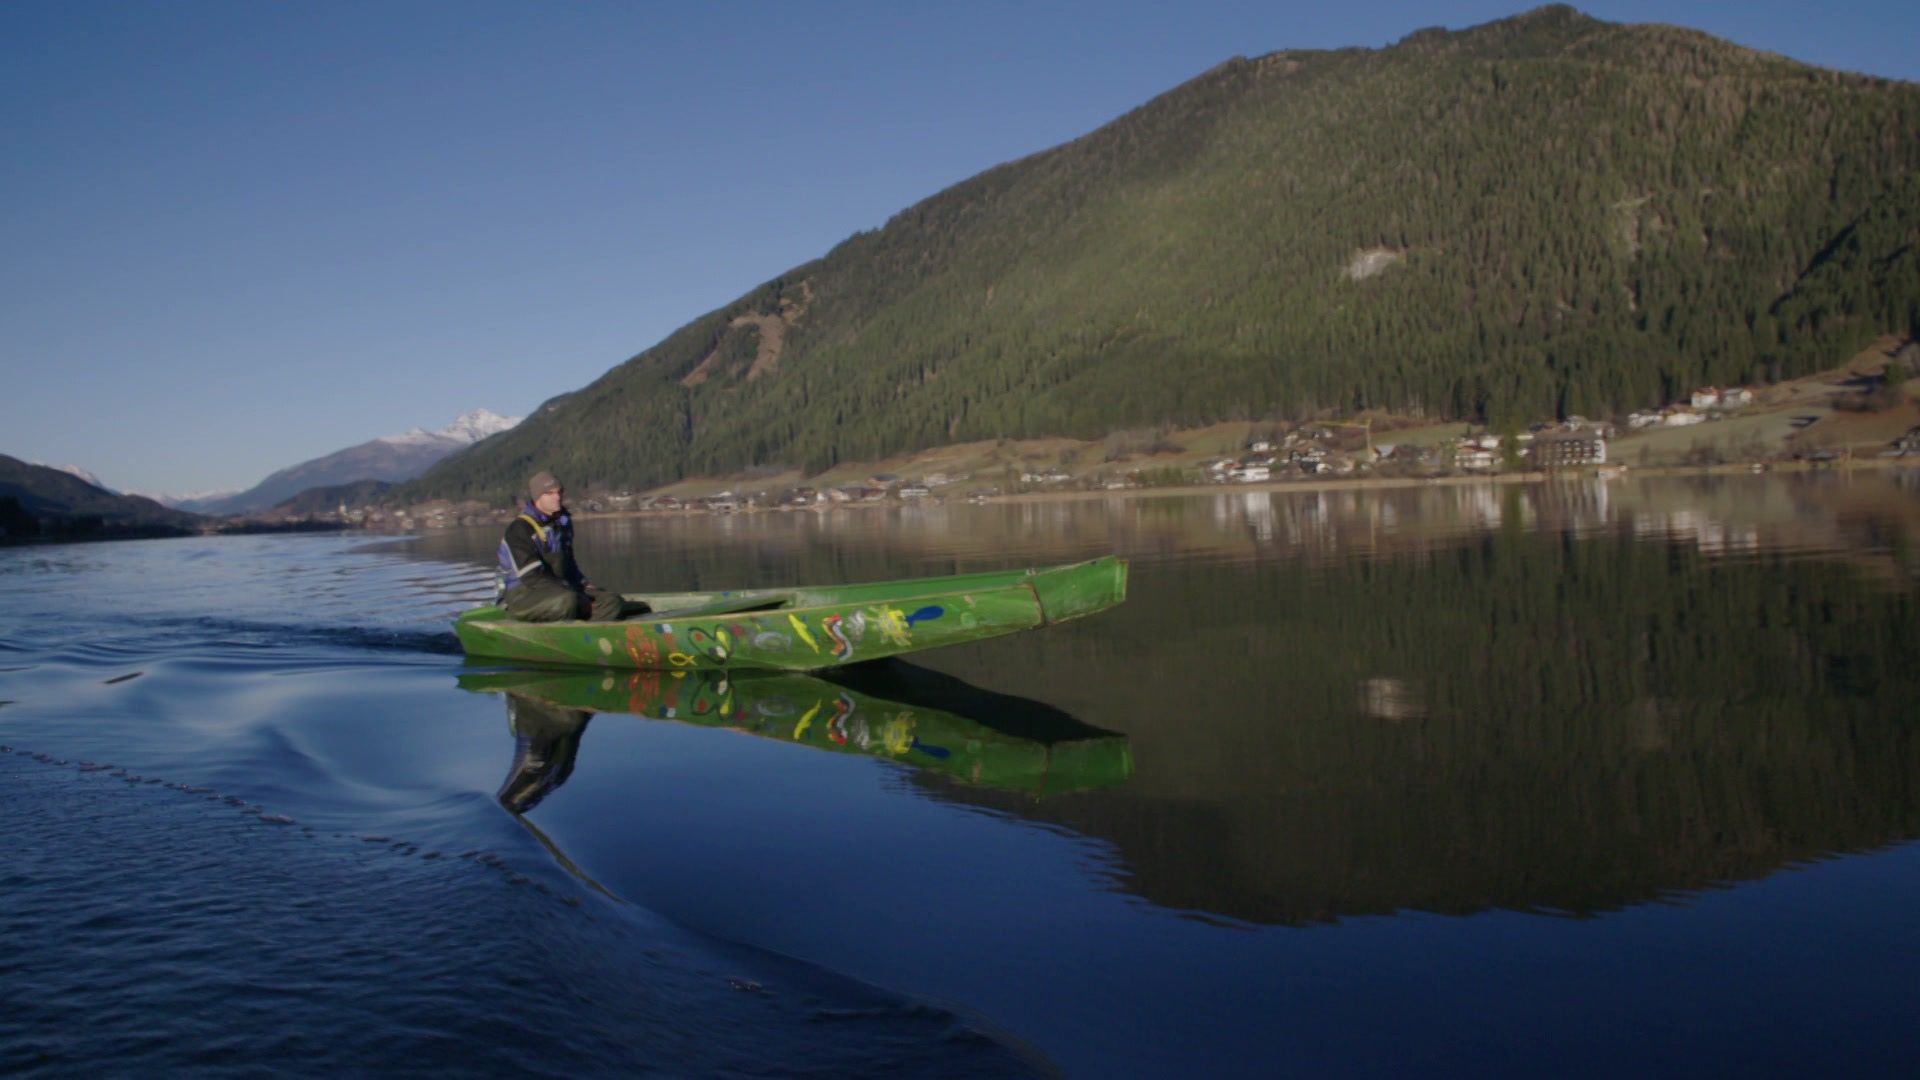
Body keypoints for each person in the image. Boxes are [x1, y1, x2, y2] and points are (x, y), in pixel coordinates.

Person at [496, 471, 642, 621]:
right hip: (523, 595)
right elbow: (532, 577)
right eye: (550, 493)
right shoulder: (519, 530)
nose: (558, 497)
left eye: (560, 492)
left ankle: (589, 632)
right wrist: (573, 592)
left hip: (559, 588)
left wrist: (584, 584)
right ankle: (562, 630)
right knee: (567, 601)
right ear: (537, 497)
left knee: (611, 601)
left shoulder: (562, 524)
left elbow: (568, 564)